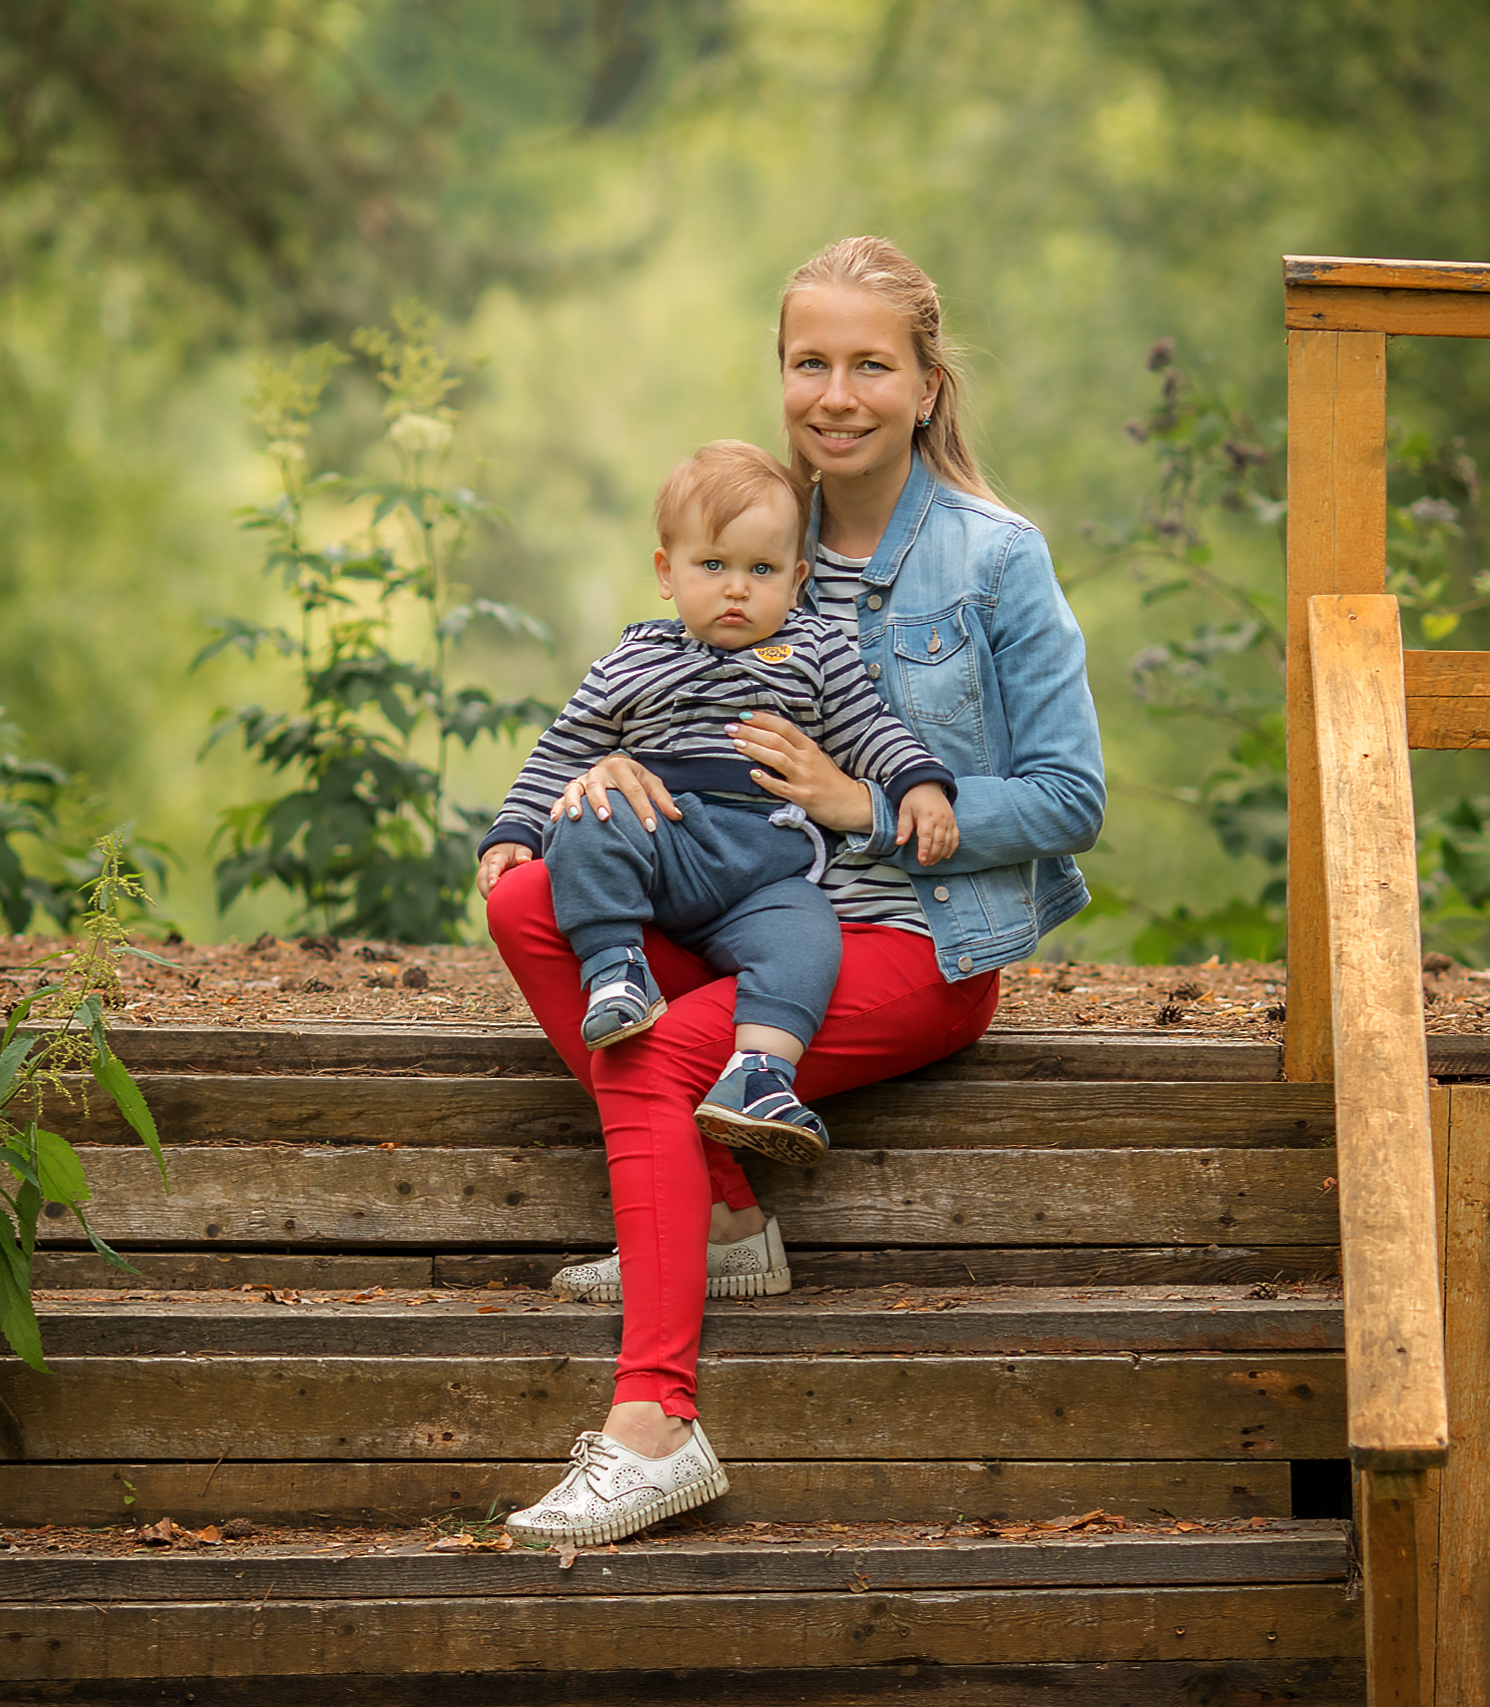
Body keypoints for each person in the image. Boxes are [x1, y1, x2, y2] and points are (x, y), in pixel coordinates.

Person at [479, 235, 1107, 1548]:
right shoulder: (756, 522)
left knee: (653, 1057)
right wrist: (607, 776)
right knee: (531, 898)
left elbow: (1069, 796)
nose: (838, 393)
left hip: (910, 935)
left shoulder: (998, 559)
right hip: (740, 895)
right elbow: (660, 685)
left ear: (929, 384)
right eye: (809, 361)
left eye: (872, 364)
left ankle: (657, 1424)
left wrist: (861, 799)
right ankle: (722, 1221)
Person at [478, 440, 960, 1167]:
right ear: (666, 573)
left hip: (765, 866)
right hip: (662, 845)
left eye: (761, 570)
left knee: (809, 938)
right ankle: (616, 970)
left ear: (797, 580)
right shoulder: (630, 660)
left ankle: (760, 1072)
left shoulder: (816, 652)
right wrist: (512, 829)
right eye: (714, 565)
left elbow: (870, 729)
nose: (737, 588)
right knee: (590, 815)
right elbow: (564, 749)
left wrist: (918, 784)